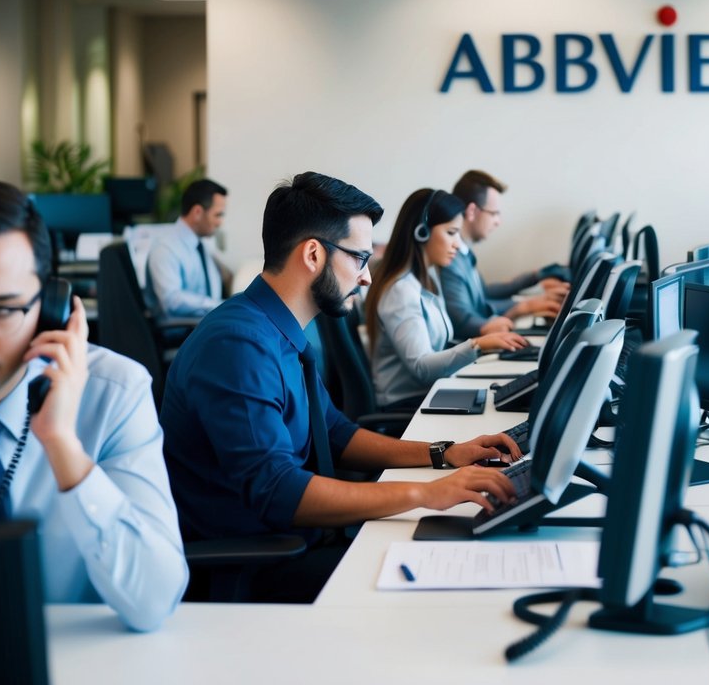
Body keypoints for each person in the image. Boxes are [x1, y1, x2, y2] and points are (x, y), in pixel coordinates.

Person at [160, 173, 521, 602]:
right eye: (359, 259)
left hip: (301, 542)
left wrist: (442, 453)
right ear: (313, 254)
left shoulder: (280, 330)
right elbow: (278, 490)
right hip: (260, 568)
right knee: (446, 587)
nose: (367, 277)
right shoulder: (238, 345)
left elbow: (334, 431)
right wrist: (425, 493)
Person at [0, 180, 187, 630]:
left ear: (51, 307)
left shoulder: (113, 393)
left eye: (1, 310)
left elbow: (155, 600)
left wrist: (63, 447)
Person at [367, 188, 530, 410]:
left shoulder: (427, 277)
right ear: (422, 232)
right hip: (407, 405)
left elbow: (437, 347)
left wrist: (483, 346)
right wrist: (477, 345)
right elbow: (422, 367)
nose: (456, 244)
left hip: (432, 393)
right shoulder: (401, 291)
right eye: (451, 233)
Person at [441, 170, 568, 339]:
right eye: (494, 213)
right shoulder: (450, 258)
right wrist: (522, 307)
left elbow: (483, 293)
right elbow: (463, 322)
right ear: (472, 211)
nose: (497, 222)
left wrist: (535, 276)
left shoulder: (464, 253)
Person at [145, 178, 228, 322]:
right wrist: (219, 306)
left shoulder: (201, 245)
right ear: (197, 212)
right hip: (183, 332)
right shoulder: (166, 247)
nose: (220, 222)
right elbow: (171, 301)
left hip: (206, 325)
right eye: (217, 215)